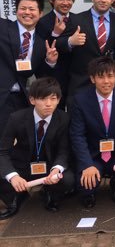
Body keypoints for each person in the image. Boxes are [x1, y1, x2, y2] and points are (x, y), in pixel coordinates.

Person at [69, 57, 115, 208]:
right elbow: (77, 135)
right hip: (94, 155)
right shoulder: (80, 100)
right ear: (92, 79)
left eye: (110, 76)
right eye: (101, 77)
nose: (106, 81)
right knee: (84, 185)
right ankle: (89, 193)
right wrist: (86, 164)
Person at [0, 77, 74, 219]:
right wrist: (13, 176)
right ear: (32, 100)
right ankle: (15, 198)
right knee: (4, 173)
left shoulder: (63, 118)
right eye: (43, 99)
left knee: (68, 179)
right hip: (23, 165)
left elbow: (64, 150)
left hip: (49, 165)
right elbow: (2, 151)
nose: (48, 104)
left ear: (59, 100)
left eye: (53, 99)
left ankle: (50, 193)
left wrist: (56, 169)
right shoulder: (16, 118)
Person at [0, 0, 58, 136]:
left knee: (18, 141)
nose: (27, 12)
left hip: (22, 100)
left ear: (40, 13)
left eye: (32, 9)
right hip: (2, 96)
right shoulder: (3, 27)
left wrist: (50, 62)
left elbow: (40, 74)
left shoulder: (41, 42)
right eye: (23, 8)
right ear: (16, 10)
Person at [57, 0, 115, 101]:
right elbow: (58, 44)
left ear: (112, 0)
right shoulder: (76, 19)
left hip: (108, 85)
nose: (103, 0)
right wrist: (70, 41)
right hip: (81, 84)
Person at [36, 0, 77, 109]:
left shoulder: (79, 19)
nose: (65, 3)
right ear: (51, 0)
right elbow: (40, 51)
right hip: (53, 79)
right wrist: (55, 33)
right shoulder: (42, 22)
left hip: (75, 79)